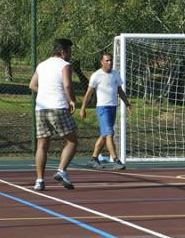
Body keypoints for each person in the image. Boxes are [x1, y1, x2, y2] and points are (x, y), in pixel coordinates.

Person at [30, 39, 78, 191]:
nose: (70, 54)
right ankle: (61, 171)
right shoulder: (65, 65)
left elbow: (32, 85)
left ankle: (39, 180)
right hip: (58, 107)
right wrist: (72, 100)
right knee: (72, 141)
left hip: (41, 108)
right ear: (63, 52)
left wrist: (45, 92)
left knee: (42, 145)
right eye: (69, 51)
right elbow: (68, 85)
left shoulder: (42, 64)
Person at [79, 52, 131, 170]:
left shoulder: (115, 74)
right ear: (101, 62)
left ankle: (94, 159)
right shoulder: (96, 75)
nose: (110, 62)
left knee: (104, 136)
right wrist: (83, 108)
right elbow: (88, 94)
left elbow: (120, 91)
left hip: (113, 107)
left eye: (111, 60)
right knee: (109, 134)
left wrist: (127, 103)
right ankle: (116, 160)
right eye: (107, 60)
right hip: (102, 108)